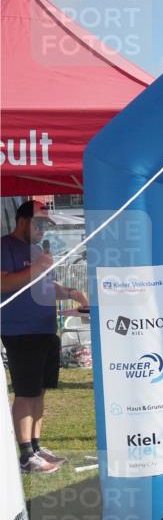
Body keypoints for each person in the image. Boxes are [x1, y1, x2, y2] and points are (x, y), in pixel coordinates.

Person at [1, 200, 88, 473]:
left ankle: (37, 447)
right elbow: (3, 283)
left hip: (45, 329)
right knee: (26, 393)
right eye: (39, 224)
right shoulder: (5, 247)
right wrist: (37, 268)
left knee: (39, 392)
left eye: (46, 226)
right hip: (20, 331)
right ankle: (26, 455)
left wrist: (71, 292)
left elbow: (45, 286)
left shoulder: (36, 250)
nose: (43, 231)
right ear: (23, 221)